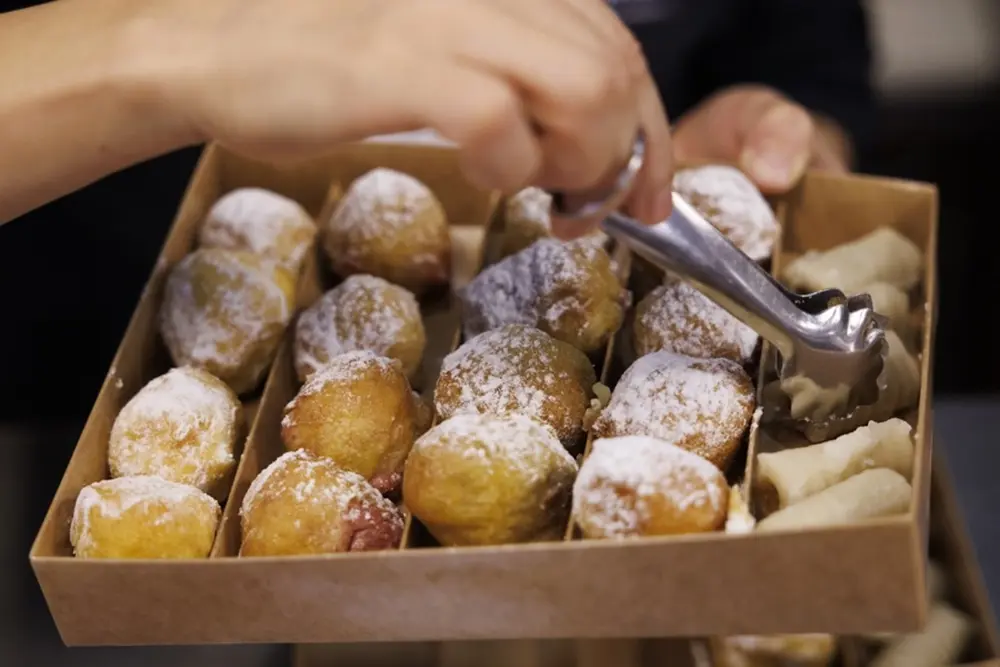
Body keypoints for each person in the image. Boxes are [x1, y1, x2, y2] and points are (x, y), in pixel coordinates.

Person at [0, 0, 873, 422]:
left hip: (638, 596)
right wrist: (165, 46)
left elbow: (803, 41)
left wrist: (780, 124)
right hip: (83, 382)